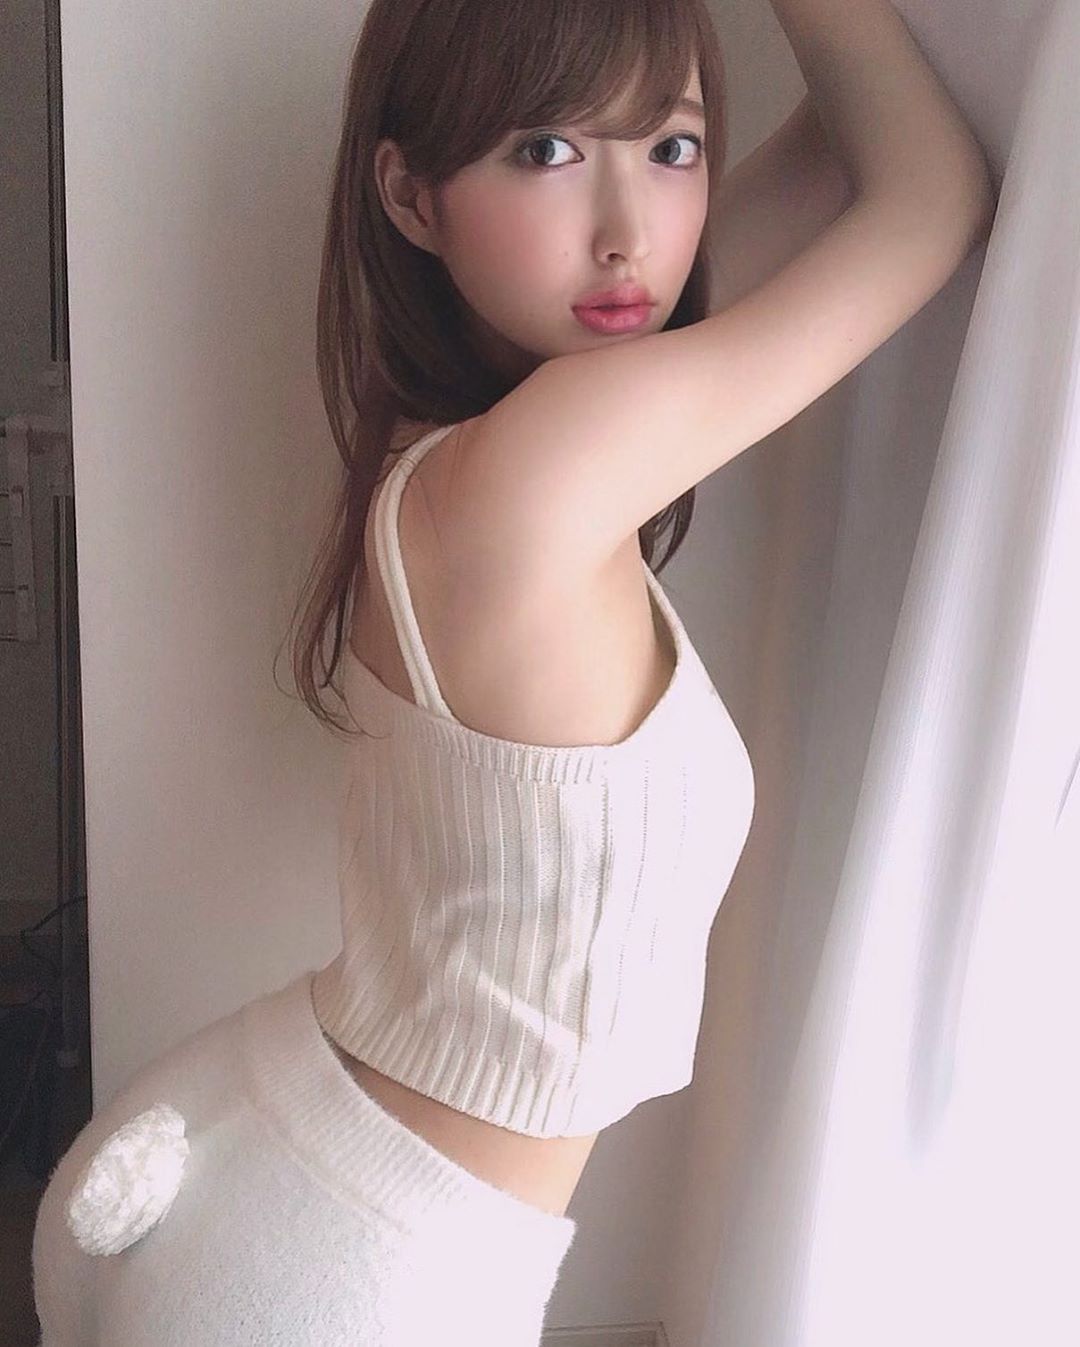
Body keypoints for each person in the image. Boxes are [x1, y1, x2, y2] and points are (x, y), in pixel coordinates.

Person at [31, 0, 995, 1341]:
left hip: (259, 1142)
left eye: (672, 147)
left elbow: (847, 154)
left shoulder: (464, 450)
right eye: (546, 150)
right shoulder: (557, 454)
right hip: (351, 1273)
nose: (626, 231)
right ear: (410, 197)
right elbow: (929, 198)